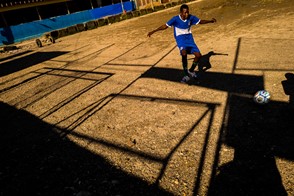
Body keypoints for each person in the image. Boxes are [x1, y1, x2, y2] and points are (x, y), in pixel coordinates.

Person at [147, 4, 216, 83]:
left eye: (187, 12)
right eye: (185, 13)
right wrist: (154, 31)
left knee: (198, 55)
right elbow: (165, 26)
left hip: (189, 39)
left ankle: (191, 70)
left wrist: (210, 21)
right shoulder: (175, 19)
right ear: (181, 13)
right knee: (184, 53)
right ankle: (186, 74)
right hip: (180, 39)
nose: (186, 14)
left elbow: (200, 21)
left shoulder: (191, 17)